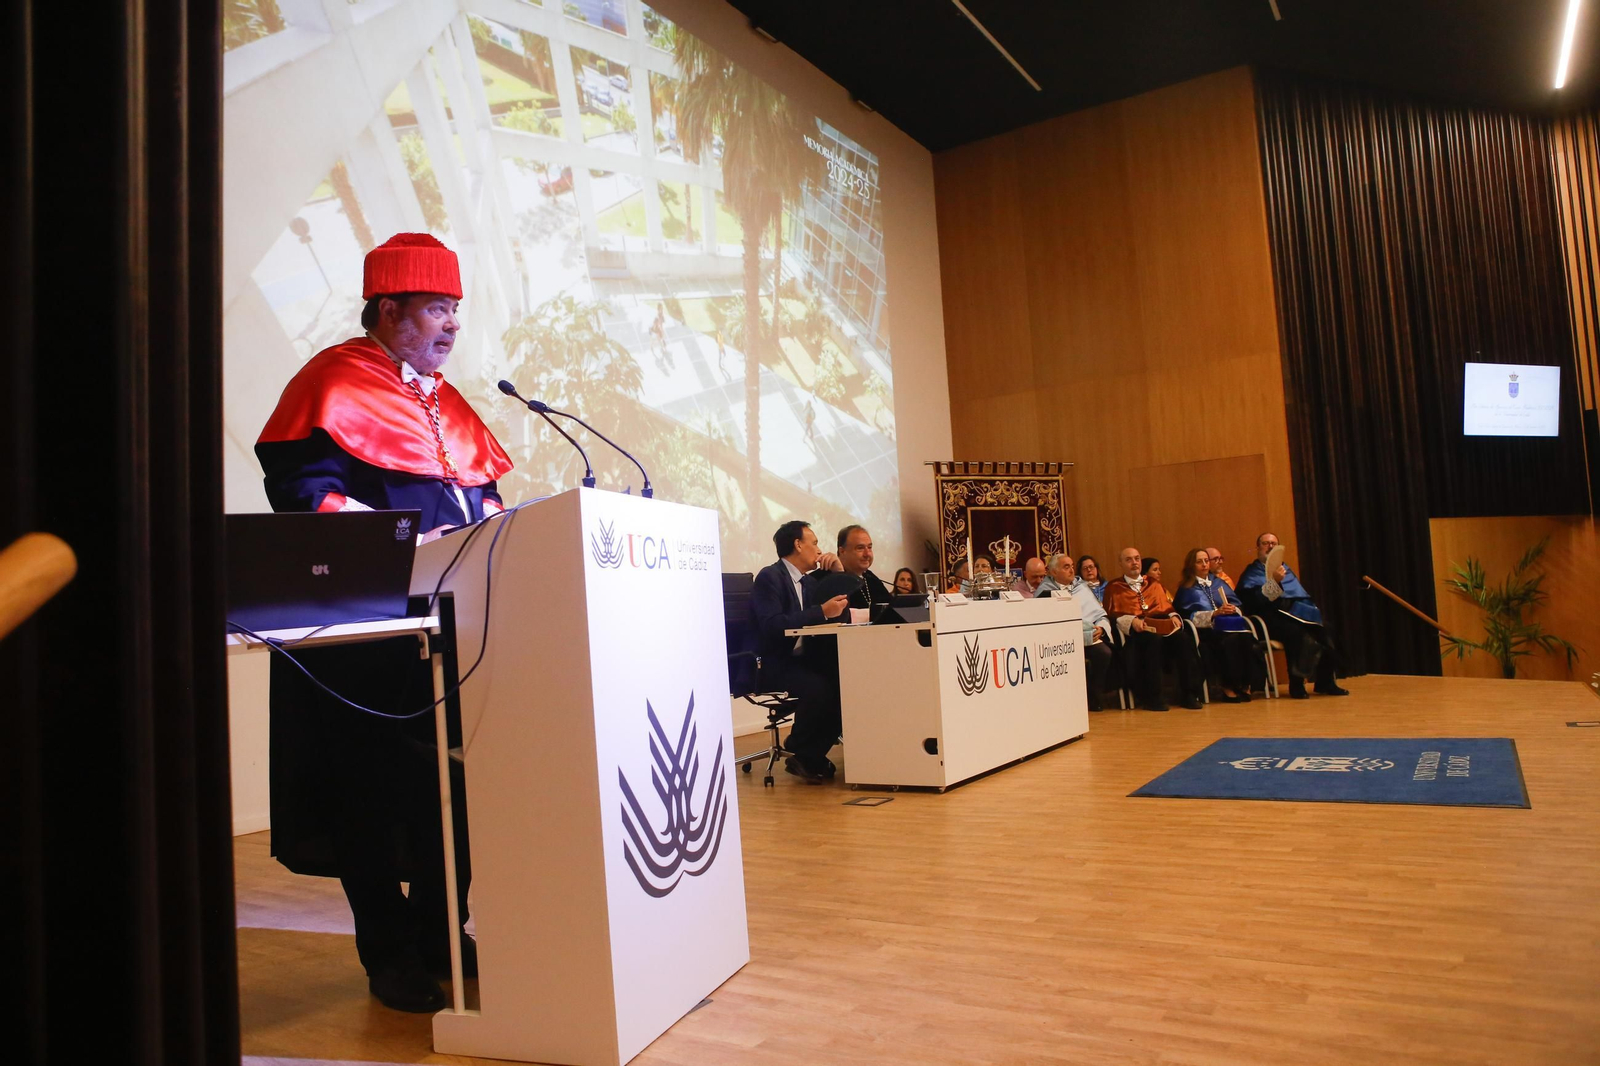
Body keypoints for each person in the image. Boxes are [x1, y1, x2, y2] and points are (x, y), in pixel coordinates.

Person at [254, 233, 514, 1013]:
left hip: (455, 631)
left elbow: (484, 500)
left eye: (456, 311)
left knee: (459, 791)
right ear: (390, 310)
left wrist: (501, 523)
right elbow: (304, 492)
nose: (452, 326)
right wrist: (399, 539)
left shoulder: (450, 403)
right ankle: (389, 954)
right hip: (363, 634)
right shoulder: (332, 379)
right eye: (439, 309)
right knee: (364, 794)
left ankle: (440, 935)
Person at [750, 520, 852, 781]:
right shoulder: (769, 577)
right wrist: (820, 612)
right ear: (798, 544)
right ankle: (802, 747)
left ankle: (808, 754)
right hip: (772, 663)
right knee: (819, 687)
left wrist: (838, 572)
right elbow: (772, 625)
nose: (819, 550)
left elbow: (844, 614)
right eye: (814, 542)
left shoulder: (808, 583)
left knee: (850, 682)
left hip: (802, 660)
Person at [1236, 533, 1350, 699]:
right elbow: (1253, 602)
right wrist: (1273, 582)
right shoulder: (1252, 572)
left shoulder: (1285, 569)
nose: (1270, 546)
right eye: (1265, 543)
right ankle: (1296, 684)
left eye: (1273, 543)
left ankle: (1325, 682)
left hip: (1295, 613)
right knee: (1296, 633)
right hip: (1269, 618)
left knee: (1326, 629)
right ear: (1258, 548)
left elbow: (1300, 596)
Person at [1102, 546, 1205, 710]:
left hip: (1161, 626)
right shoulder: (1113, 587)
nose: (1134, 563)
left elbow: (1166, 607)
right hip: (1137, 633)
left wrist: (1174, 617)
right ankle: (1154, 696)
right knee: (1152, 641)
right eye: (1128, 560)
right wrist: (1131, 620)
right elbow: (1112, 614)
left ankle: (1189, 694)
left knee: (1183, 639)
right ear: (1121, 564)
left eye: (1136, 558)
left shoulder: (1153, 584)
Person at [1174, 547, 1264, 702]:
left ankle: (1245, 684)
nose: (1204, 564)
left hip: (1230, 625)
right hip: (1207, 631)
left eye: (1206, 561)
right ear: (1191, 565)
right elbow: (1186, 617)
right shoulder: (1187, 589)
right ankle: (1228, 686)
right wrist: (1213, 614)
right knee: (1229, 641)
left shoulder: (1219, 582)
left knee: (1247, 638)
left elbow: (1238, 605)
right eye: (1199, 562)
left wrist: (1232, 608)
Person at [1035, 554, 1113, 711]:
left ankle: (1094, 696)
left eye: (1072, 566)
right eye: (1066, 567)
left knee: (1104, 653)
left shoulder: (1081, 587)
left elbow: (1100, 614)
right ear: (1054, 572)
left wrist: (1101, 628)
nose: (1071, 570)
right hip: (1057, 641)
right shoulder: (1044, 591)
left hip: (1087, 636)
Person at [836, 524, 894, 608]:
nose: (867, 554)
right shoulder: (825, 577)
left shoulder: (871, 578)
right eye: (860, 548)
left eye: (869, 547)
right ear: (842, 551)